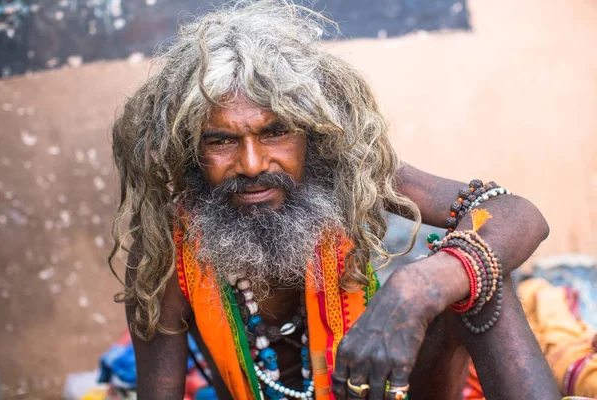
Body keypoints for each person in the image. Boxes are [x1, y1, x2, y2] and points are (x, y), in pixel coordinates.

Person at [109, 1, 561, 399]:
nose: (251, 163)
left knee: (478, 276)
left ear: (311, 134)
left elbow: (517, 214)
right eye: (220, 141)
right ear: (192, 151)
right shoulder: (166, 251)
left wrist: (417, 288)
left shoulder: (351, 178)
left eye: (275, 131)